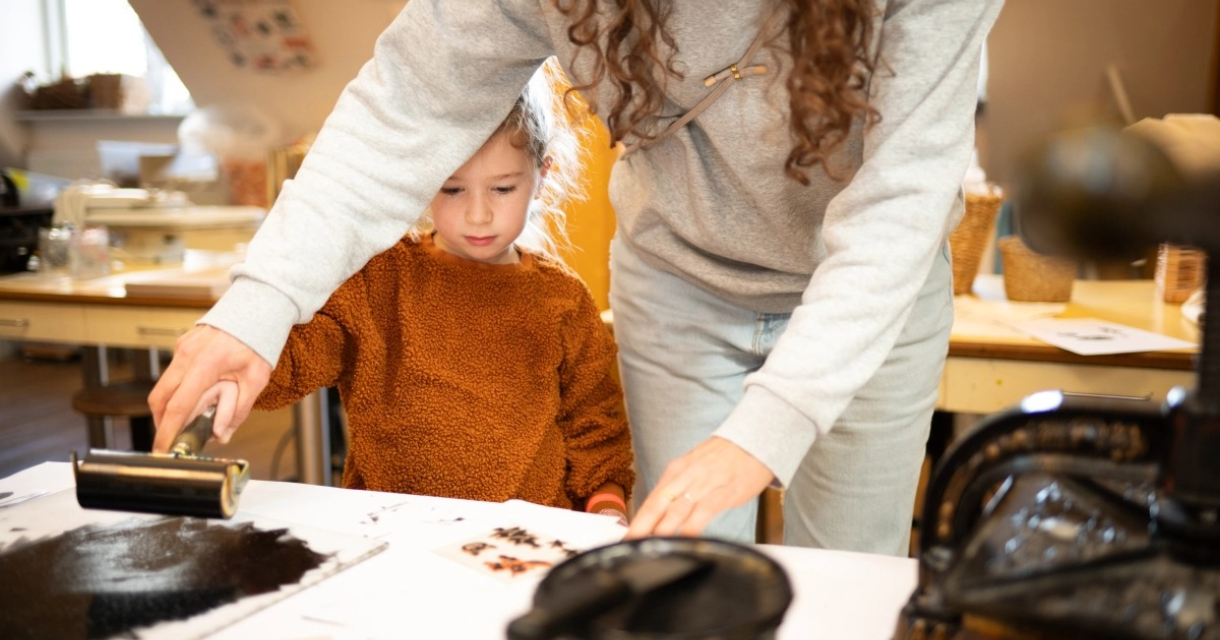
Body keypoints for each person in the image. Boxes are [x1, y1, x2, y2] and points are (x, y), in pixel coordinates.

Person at [150, 0, 1004, 554]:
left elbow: (903, 197)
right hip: (680, 279)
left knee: (850, 570)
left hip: (873, 292)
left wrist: (766, 430)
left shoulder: (554, 301)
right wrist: (259, 303)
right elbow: (405, 103)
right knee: (684, 576)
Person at [197, 63, 635, 519]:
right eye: (452, 189)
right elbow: (298, 356)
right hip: (392, 530)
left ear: (542, 175)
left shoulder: (563, 300)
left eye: (503, 188)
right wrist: (237, 362)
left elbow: (596, 430)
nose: (478, 215)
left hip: (523, 536)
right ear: (420, 178)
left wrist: (606, 507)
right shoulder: (379, 278)